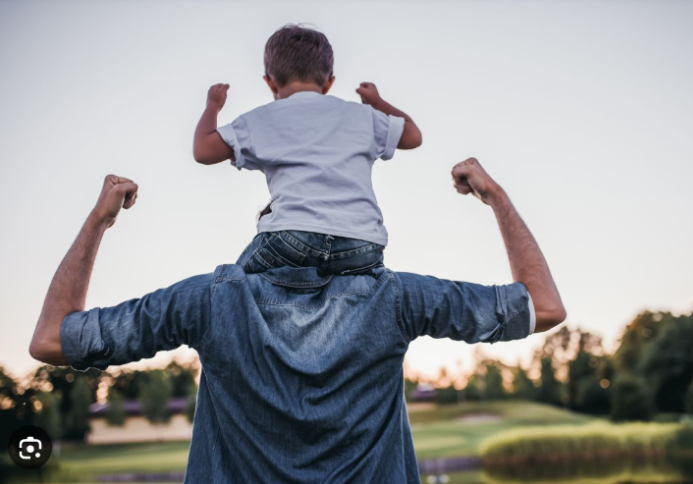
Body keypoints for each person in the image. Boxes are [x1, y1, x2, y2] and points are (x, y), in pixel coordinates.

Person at [29, 157, 566, 483]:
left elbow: (53, 338)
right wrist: (495, 197)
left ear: (263, 230)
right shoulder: (396, 299)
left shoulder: (209, 302)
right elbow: (543, 307)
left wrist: (100, 220)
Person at [192, 24, 422, 275]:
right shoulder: (362, 116)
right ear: (329, 83)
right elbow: (413, 136)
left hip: (292, 239)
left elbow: (203, 150)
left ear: (270, 82)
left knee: (232, 285)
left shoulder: (262, 119)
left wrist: (212, 106)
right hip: (363, 244)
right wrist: (377, 102)